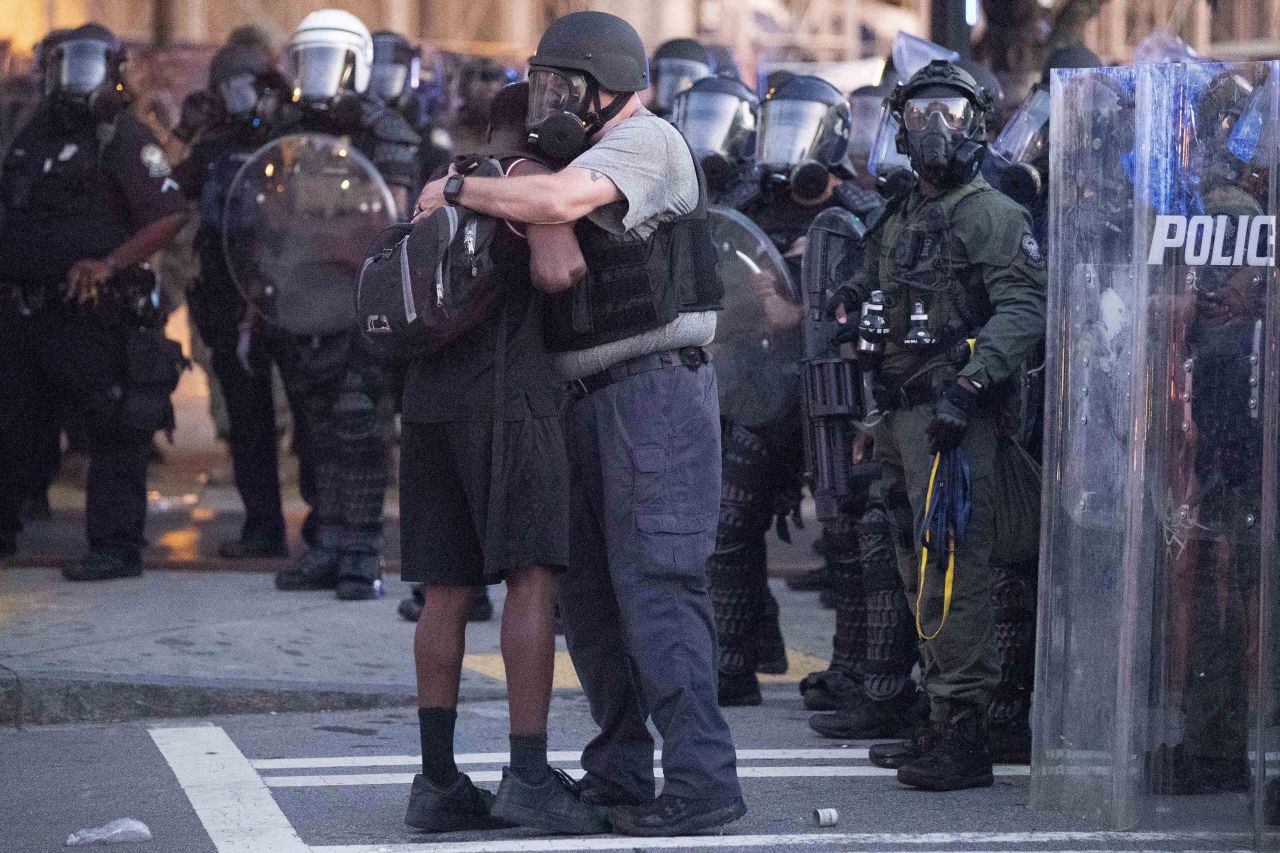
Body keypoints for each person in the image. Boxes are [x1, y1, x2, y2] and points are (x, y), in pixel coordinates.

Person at [414, 11, 744, 836]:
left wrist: (456, 185)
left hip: (654, 393)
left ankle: (703, 779)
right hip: (582, 399)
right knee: (592, 597)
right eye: (545, 82)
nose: (550, 100)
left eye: (566, 86)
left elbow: (559, 201)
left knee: (659, 585)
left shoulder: (647, 142)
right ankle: (622, 767)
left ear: (609, 89)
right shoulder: (572, 155)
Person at [826, 59, 1046, 790]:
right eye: (919, 114)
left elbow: (1023, 309)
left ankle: (966, 729)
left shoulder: (989, 212)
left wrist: (970, 385)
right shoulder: (902, 211)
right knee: (914, 566)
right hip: (899, 413)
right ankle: (941, 711)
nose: (932, 128)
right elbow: (874, 299)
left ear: (977, 123)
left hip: (952, 421)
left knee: (954, 572)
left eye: (949, 113)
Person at [401, 81, 604, 835]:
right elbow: (558, 271)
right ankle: (526, 774)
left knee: (444, 590)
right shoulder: (522, 182)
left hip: (428, 405)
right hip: (507, 403)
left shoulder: (441, 186)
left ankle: (437, 781)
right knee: (531, 577)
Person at [0, 24, 188, 576]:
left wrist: (109, 264)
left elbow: (169, 213)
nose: (75, 76)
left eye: (88, 63)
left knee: (112, 426)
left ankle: (115, 547)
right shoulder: (28, 130)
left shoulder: (122, 137)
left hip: (91, 310)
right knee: (14, 421)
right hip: (24, 309)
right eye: (66, 63)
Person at [267, 9, 420, 599]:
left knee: (359, 427)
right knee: (315, 433)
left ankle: (361, 551)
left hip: (361, 303)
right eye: (309, 61)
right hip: (305, 299)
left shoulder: (388, 134)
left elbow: (389, 221)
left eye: (329, 60)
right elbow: (268, 211)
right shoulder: (289, 132)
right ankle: (327, 543)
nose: (319, 75)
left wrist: (326, 237)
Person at [174, 42, 306, 560]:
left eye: (250, 85)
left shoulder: (289, 141)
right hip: (229, 301)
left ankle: (326, 528)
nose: (241, 97)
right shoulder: (213, 148)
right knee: (248, 425)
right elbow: (167, 188)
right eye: (230, 87)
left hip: (288, 296)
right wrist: (188, 130)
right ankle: (263, 528)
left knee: (310, 420)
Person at [647, 38, 713, 119]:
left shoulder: (708, 120)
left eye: (689, 81)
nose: (678, 87)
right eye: (671, 77)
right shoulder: (642, 120)